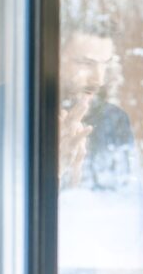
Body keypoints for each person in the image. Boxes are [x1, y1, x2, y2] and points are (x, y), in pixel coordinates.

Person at [58, 17, 135, 191]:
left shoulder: (116, 120)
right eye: (86, 63)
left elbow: (121, 198)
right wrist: (55, 170)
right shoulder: (8, 111)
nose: (99, 80)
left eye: (105, 65)